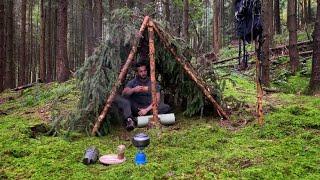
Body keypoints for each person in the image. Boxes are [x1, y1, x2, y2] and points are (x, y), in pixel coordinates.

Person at [114, 61, 171, 131]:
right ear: (137, 72)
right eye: (140, 71)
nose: (143, 73)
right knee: (125, 101)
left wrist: (146, 110)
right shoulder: (133, 82)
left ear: (147, 71)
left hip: (150, 108)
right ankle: (129, 120)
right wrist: (133, 90)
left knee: (166, 107)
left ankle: (140, 119)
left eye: (144, 71)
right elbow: (124, 93)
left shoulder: (152, 82)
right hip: (136, 108)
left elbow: (157, 99)